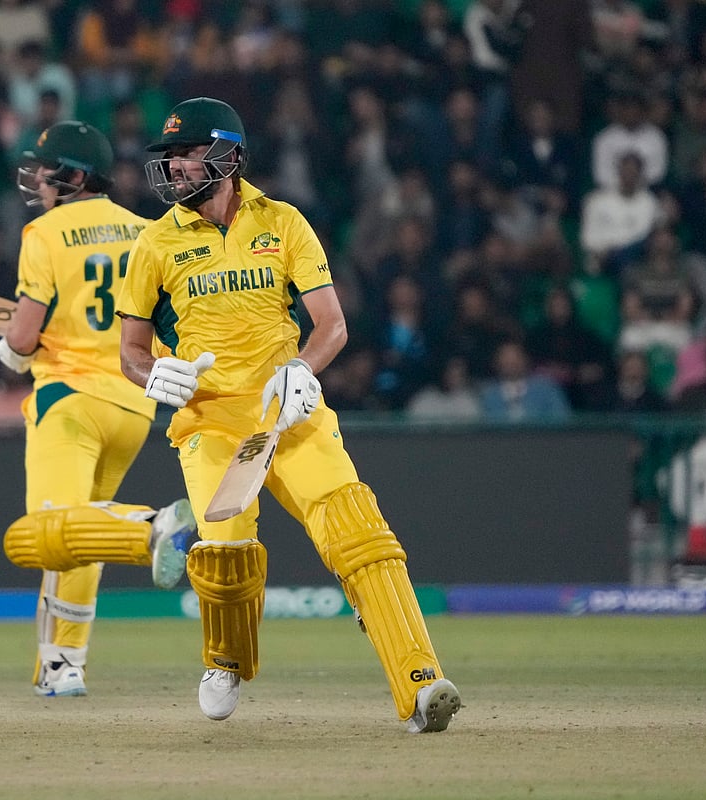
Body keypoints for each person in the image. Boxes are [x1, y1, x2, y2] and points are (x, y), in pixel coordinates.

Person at [115, 97, 462, 731]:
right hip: (209, 423)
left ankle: (421, 683)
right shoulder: (155, 242)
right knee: (224, 558)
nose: (173, 167)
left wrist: (303, 368)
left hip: (288, 415)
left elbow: (332, 325)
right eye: (169, 157)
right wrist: (152, 376)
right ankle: (226, 660)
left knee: (358, 532)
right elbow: (131, 351)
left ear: (227, 156)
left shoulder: (283, 222)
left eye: (187, 154)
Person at [0, 120, 197, 698]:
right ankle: (63, 665)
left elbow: (24, 335)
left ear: (75, 177)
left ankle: (152, 526)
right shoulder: (147, 231)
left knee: (48, 530)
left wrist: (10, 350)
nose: (38, 180)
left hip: (70, 400)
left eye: (46, 170)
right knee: (80, 537)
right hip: (133, 406)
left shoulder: (45, 232)